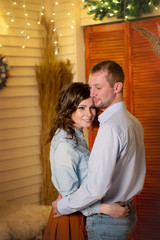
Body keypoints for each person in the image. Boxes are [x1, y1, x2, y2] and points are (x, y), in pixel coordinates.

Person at [52, 61, 146, 240]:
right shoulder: (133, 121)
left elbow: (96, 188)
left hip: (108, 220)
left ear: (117, 87)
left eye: (98, 87)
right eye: (90, 87)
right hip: (125, 210)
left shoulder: (110, 127)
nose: (92, 93)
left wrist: (62, 206)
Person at [43, 82, 129, 240]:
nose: (89, 114)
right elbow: (69, 201)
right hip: (70, 221)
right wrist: (106, 209)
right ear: (69, 109)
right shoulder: (65, 146)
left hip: (81, 215)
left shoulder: (75, 134)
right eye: (81, 108)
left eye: (92, 107)